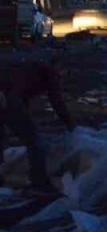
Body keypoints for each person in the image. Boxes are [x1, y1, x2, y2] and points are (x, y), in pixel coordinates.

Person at [0, 58, 75, 193]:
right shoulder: (49, 72)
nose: (61, 76)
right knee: (34, 139)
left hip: (5, 93)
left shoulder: (29, 67)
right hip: (6, 95)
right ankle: (39, 181)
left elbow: (23, 95)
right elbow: (56, 101)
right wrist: (71, 125)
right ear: (58, 66)